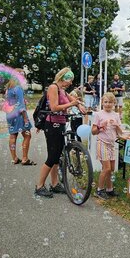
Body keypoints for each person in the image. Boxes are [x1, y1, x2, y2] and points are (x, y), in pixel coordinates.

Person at [35, 67, 86, 198]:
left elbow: (72, 100)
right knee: (52, 156)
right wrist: (72, 104)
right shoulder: (53, 88)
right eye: (69, 80)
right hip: (52, 124)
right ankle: (39, 186)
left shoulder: (63, 90)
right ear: (63, 78)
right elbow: (54, 107)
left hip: (61, 123)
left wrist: (79, 105)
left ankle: (55, 184)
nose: (70, 83)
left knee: (57, 156)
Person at [91, 92, 123, 200]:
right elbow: (93, 132)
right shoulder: (98, 115)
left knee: (112, 169)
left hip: (112, 144)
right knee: (106, 168)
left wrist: (117, 125)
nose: (108, 104)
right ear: (102, 103)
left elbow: (120, 133)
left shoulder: (116, 115)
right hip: (102, 143)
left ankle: (110, 189)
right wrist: (101, 126)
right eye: (105, 102)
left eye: (110, 102)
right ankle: (99, 190)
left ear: (114, 103)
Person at [3, 69, 36, 165]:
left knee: (13, 135)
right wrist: (25, 118)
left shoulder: (9, 88)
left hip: (10, 114)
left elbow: (9, 102)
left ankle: (15, 158)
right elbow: (21, 105)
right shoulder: (18, 88)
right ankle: (25, 158)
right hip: (19, 115)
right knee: (27, 135)